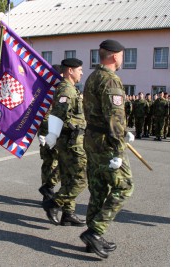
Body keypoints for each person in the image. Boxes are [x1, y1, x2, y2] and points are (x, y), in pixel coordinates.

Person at [80, 40, 135, 259]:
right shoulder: (111, 80)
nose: (122, 59)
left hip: (92, 140)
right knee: (125, 187)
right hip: (106, 143)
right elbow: (115, 118)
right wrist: (120, 149)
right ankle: (95, 232)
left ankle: (92, 240)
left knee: (98, 189)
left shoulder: (92, 77)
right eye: (122, 55)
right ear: (114, 56)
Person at [41, 58, 87, 227]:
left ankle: (68, 214)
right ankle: (54, 203)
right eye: (79, 69)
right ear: (70, 71)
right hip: (72, 141)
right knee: (81, 178)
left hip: (70, 139)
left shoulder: (71, 88)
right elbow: (59, 113)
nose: (81, 72)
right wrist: (51, 134)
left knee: (68, 178)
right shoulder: (66, 89)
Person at [38, 64, 62, 201]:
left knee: (56, 162)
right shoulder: (47, 91)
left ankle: (48, 188)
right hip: (47, 133)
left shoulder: (61, 90)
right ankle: (47, 192)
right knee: (49, 162)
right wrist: (41, 133)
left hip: (57, 133)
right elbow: (42, 114)